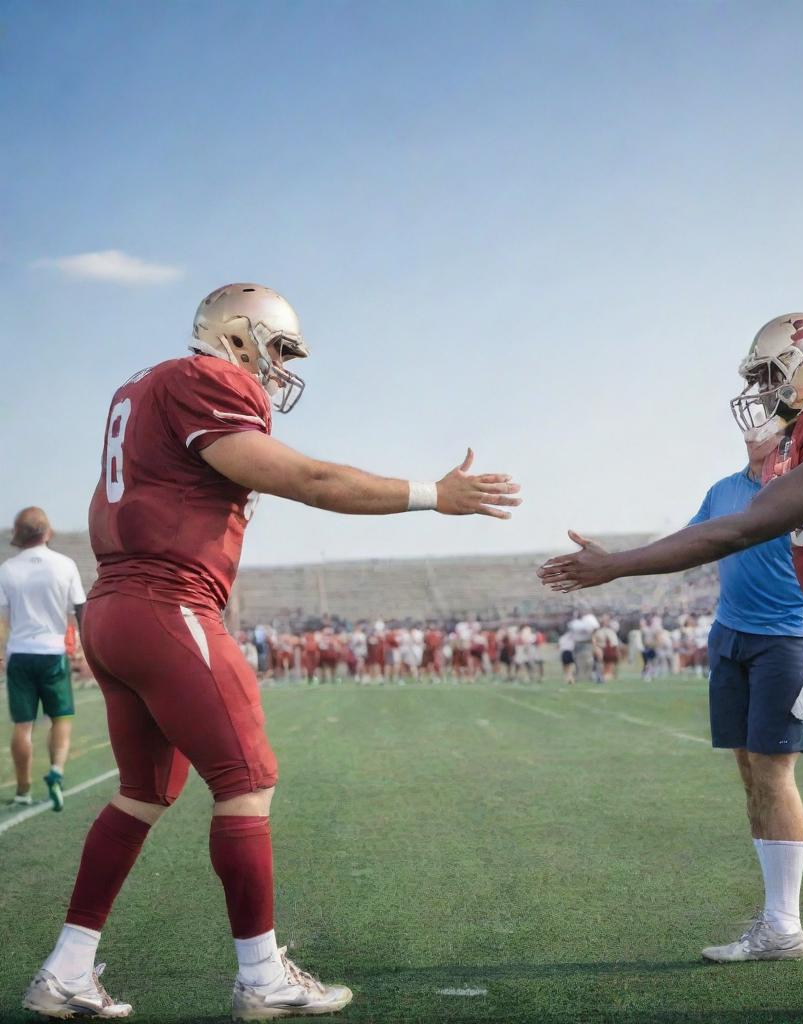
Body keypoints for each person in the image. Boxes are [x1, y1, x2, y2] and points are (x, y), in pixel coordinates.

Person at [22, 283, 521, 1021]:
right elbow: (308, 480)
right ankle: (261, 977)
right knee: (247, 779)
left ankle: (66, 969)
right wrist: (430, 494)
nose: (282, 367)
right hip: (167, 603)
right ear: (238, 335)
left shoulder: (143, 385)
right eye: (280, 348)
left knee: (145, 791)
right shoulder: (205, 379)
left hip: (115, 606)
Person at [539, 313, 803, 1019]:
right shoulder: (802, 438)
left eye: (769, 374)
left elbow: (741, 527)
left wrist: (617, 568)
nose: (761, 390)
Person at [683, 433, 803, 964]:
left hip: (786, 637)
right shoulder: (722, 489)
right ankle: (775, 919)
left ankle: (786, 926)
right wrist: (620, 561)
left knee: (774, 772)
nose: (754, 416)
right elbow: (691, 543)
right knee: (750, 775)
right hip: (729, 634)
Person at [0, 508, 86, 813]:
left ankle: (23, 790)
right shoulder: (65, 565)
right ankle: (57, 772)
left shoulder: (7, 569)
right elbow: (80, 609)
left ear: (18, 536)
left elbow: (3, 619)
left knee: (23, 726)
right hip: (53, 654)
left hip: (20, 654)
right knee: (60, 717)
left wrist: (1, 651)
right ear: (47, 533)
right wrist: (85, 647)